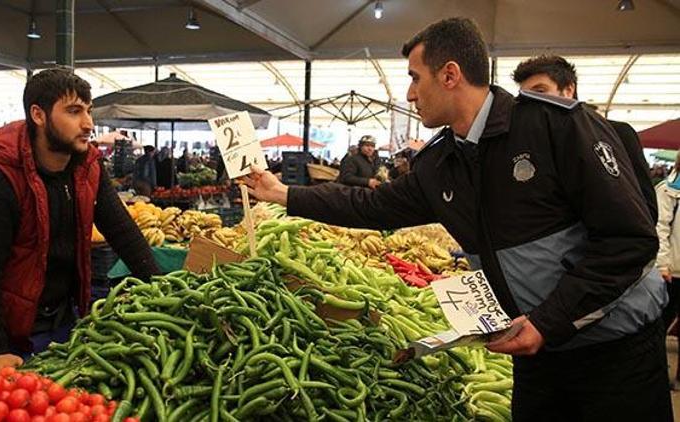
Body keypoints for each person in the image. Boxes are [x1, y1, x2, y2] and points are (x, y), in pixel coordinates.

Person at [244, 17, 670, 421]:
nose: (410, 94)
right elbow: (370, 207)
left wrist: (547, 320)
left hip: (616, 349)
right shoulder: (439, 162)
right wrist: (283, 193)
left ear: (450, 75)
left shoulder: (554, 127)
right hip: (537, 352)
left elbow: (629, 240)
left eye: (414, 78)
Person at [0, 69, 160, 368]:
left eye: (89, 111)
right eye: (74, 111)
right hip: (5, 333)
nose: (88, 123)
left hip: (62, 320)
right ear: (38, 115)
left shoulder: (87, 166)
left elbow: (122, 231)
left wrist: (164, 288)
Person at [512, 55, 657, 223]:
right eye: (525, 97)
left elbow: (646, 207)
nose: (532, 102)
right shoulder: (530, 145)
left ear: (568, 90)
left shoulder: (616, 133)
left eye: (540, 91)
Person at [656, 151, 680, 386]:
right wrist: (662, 264)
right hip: (671, 272)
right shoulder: (668, 190)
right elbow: (660, 227)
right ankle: (658, 372)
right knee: (661, 323)